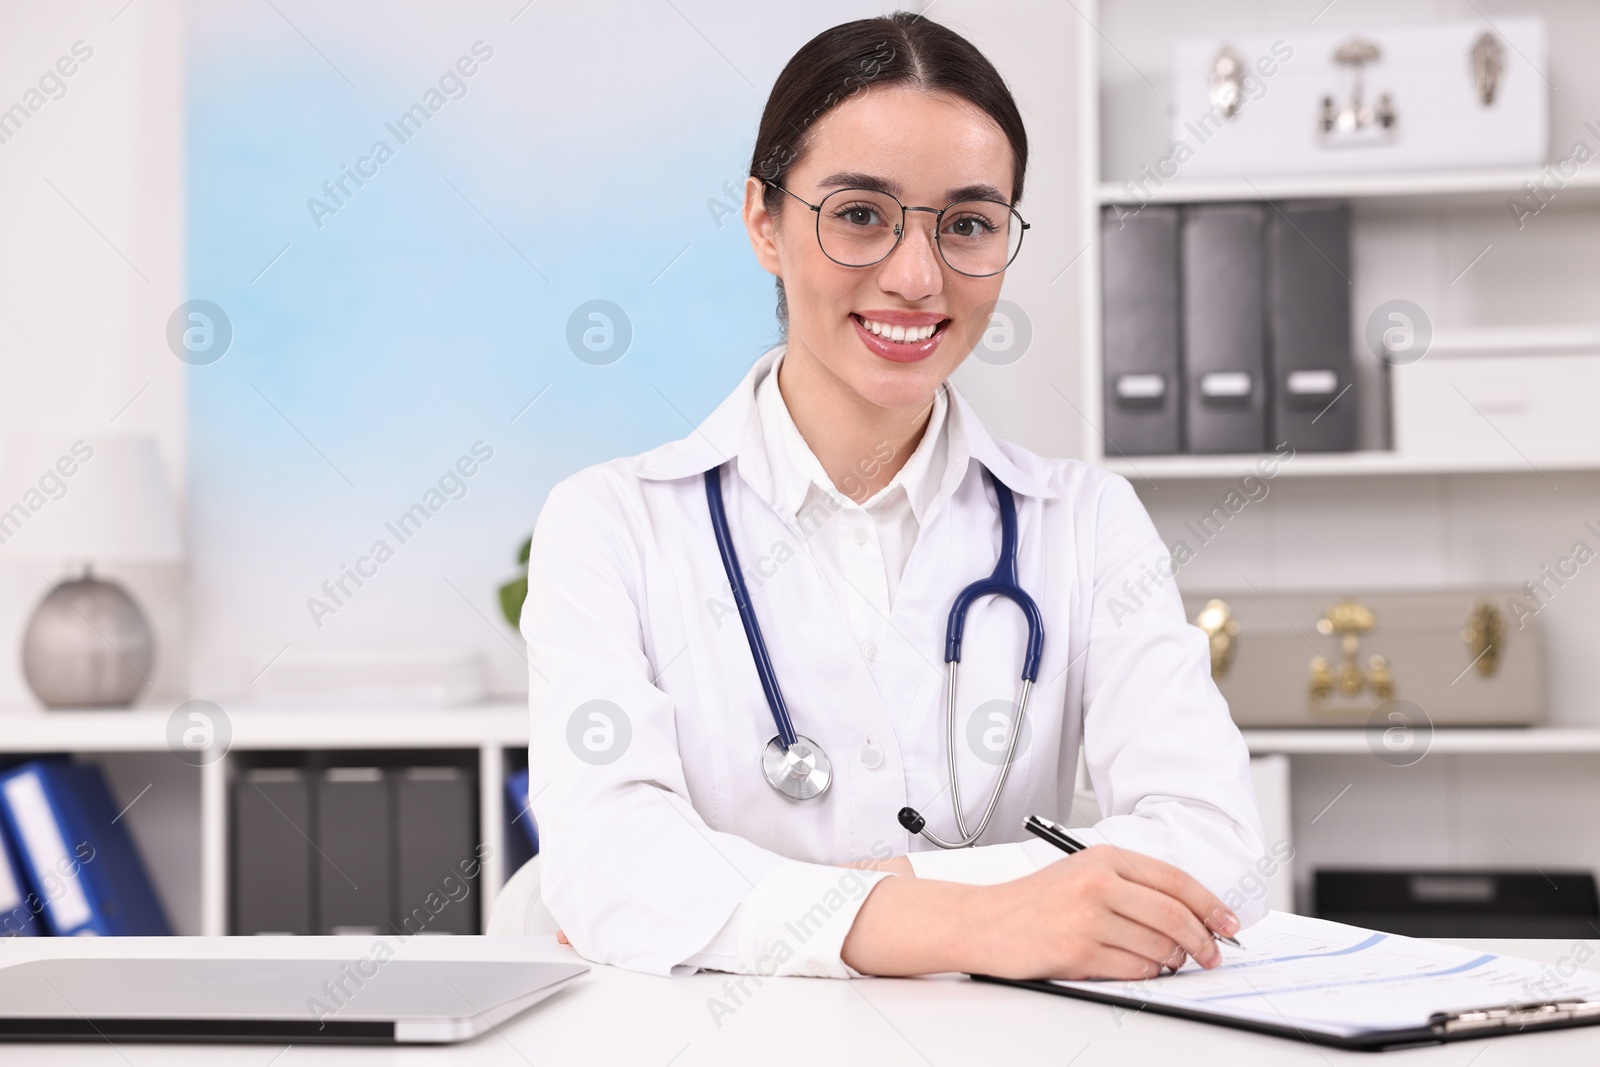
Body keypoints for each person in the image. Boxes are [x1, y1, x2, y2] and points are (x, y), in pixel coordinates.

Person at [522, 11, 1264, 981]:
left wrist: (846, 893)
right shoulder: (612, 523)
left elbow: (1214, 847)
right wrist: (979, 922)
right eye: (860, 213)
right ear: (763, 222)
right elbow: (610, 864)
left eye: (966, 224)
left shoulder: (1084, 523)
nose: (917, 278)